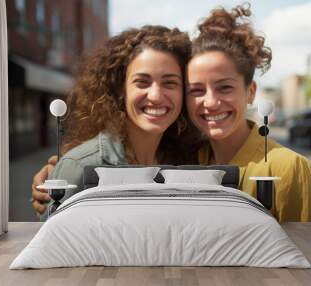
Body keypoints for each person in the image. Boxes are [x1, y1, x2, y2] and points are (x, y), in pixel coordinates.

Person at [31, 25, 199, 219]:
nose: (156, 95)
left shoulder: (188, 159)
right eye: (142, 82)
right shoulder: (80, 167)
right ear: (120, 90)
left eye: (170, 83)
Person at [185, 4, 311, 222]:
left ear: (250, 92)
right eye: (196, 90)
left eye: (225, 87)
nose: (211, 102)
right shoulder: (186, 163)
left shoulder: (288, 168)